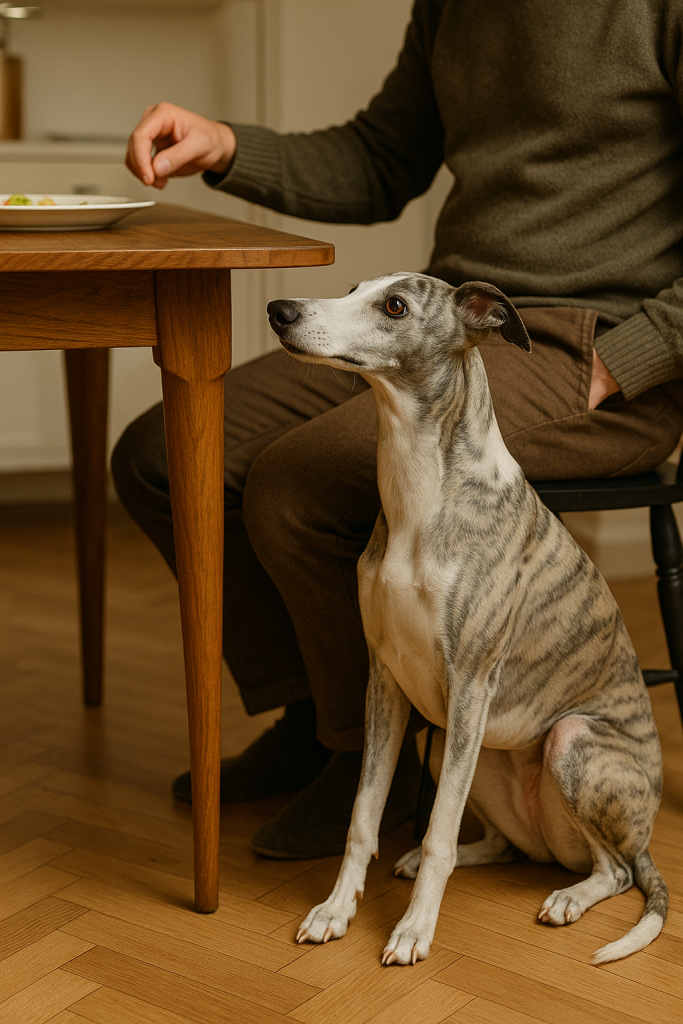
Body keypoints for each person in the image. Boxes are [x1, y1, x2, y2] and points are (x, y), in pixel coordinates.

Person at [114, 0, 683, 859]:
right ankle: (320, 719)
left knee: (304, 481)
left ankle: (380, 767)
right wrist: (228, 145)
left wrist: (625, 359)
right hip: (445, 331)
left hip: (592, 346)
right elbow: (382, 157)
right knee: (166, 457)